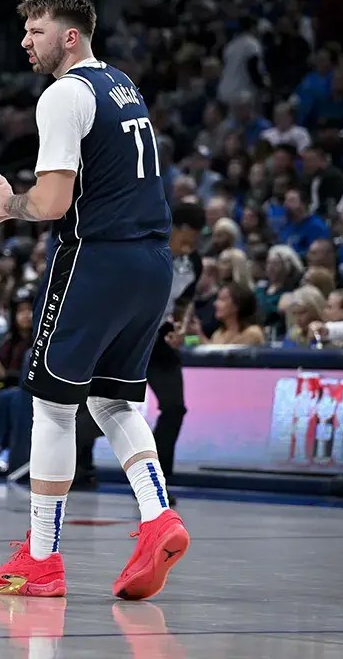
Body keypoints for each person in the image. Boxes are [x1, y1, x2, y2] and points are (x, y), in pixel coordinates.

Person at [0, 0, 188, 600]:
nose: (26, 42)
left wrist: (9, 204)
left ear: (71, 36)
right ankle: (159, 516)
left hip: (95, 259)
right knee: (113, 403)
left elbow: (53, 202)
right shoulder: (120, 83)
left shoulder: (64, 94)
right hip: (153, 263)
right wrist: (13, 208)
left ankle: (43, 559)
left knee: (52, 406)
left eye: (36, 31)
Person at [145, 203, 206, 504]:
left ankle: (157, 482)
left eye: (195, 240)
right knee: (105, 408)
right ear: (173, 228)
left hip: (158, 336)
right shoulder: (146, 248)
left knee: (174, 408)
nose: (189, 246)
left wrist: (181, 328)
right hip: (125, 335)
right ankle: (76, 461)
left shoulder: (193, 261)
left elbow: (184, 302)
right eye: (186, 238)